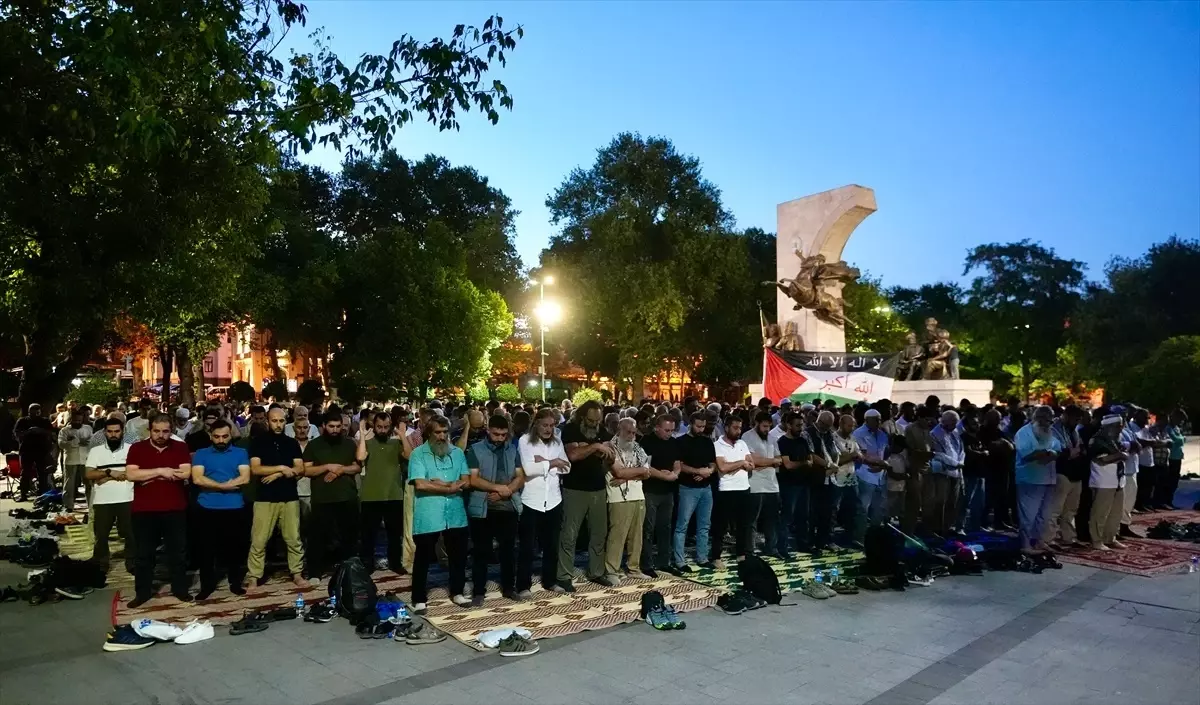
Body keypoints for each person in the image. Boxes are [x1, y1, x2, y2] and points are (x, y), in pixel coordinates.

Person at [124, 414, 193, 607]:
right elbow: (131, 475)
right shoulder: (137, 448)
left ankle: (180, 590)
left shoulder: (180, 447)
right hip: (144, 510)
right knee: (144, 554)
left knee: (178, 553)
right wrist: (162, 472)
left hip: (175, 508)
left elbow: (185, 473)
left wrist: (147, 477)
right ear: (150, 430)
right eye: (157, 431)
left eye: (165, 431)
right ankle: (143, 593)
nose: (161, 435)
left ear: (171, 431)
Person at [408, 415, 471, 614]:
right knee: (423, 558)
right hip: (429, 514)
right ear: (429, 433)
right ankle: (418, 598)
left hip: (455, 513)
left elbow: (466, 480)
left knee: (458, 556)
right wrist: (448, 487)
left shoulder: (457, 453)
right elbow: (420, 483)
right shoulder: (418, 454)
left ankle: (458, 592)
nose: (442, 436)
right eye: (438, 432)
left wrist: (438, 484)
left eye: (445, 432)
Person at [557, 401, 616, 590]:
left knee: (599, 533)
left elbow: (611, 454)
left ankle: (596, 571)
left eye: (597, 420)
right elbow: (573, 455)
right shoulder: (571, 429)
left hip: (598, 487)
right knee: (569, 534)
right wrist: (595, 447)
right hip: (575, 488)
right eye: (591, 420)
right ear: (582, 417)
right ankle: (564, 575)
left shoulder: (602, 430)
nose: (594, 424)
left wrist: (590, 447)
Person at [247, 408, 308, 590]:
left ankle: (297, 573)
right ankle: (253, 576)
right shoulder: (258, 442)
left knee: (293, 538)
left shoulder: (291, 443)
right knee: (259, 540)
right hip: (265, 498)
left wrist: (276, 474)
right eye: (274, 421)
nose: (279, 424)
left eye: (281, 421)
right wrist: (282, 468)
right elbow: (256, 469)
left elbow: (300, 469)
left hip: (289, 496)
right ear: (267, 421)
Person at [466, 415, 525, 604]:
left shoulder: (512, 449)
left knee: (508, 551)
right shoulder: (475, 450)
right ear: (488, 430)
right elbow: (473, 479)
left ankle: (509, 588)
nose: (499, 438)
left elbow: (520, 476)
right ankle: (479, 591)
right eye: (496, 434)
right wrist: (497, 488)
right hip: (482, 507)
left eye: (503, 435)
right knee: (481, 552)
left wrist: (506, 491)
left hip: (507, 506)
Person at [190, 420, 251, 599]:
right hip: (207, 507)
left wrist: (215, 486)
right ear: (210, 436)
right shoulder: (201, 454)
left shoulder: (241, 452)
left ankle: (235, 583)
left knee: (235, 549)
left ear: (231, 435)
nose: (221, 440)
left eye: (225, 436)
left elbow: (245, 477)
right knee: (206, 550)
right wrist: (223, 486)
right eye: (217, 437)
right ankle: (207, 586)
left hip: (234, 507)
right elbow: (198, 478)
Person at [516, 408, 570, 597]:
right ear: (536, 424)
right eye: (545, 425)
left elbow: (567, 467)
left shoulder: (557, 441)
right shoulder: (525, 441)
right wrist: (553, 463)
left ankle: (550, 581)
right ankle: (523, 585)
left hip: (554, 499)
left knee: (551, 545)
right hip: (532, 500)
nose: (549, 429)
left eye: (552, 425)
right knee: (527, 547)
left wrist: (546, 462)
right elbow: (529, 469)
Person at [304, 410, 361, 578]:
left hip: (347, 497)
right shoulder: (314, 445)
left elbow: (357, 467)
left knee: (349, 538)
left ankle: (350, 573)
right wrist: (327, 467)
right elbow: (305, 470)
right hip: (322, 499)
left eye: (338, 426)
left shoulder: (350, 443)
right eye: (331, 426)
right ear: (323, 426)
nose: (335, 430)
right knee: (318, 538)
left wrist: (340, 470)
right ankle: (315, 573)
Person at [355, 412, 405, 575]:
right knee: (368, 534)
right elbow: (361, 456)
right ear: (374, 427)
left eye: (386, 427)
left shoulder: (396, 443)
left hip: (394, 494)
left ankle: (395, 563)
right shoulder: (368, 442)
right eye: (379, 427)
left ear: (390, 426)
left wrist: (403, 436)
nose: (383, 430)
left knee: (394, 533)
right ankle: (368, 564)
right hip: (371, 495)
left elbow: (410, 455)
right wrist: (363, 435)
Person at [84, 418, 136, 575]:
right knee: (101, 534)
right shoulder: (96, 451)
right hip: (102, 500)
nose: (113, 435)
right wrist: (109, 472)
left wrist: (105, 478)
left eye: (117, 431)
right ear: (105, 432)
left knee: (131, 533)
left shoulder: (131, 449)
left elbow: (134, 473)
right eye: (110, 431)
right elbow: (88, 474)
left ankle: (132, 562)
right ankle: (101, 563)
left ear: (122, 432)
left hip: (127, 497)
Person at [603, 418, 651, 581]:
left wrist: (627, 477)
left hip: (638, 495)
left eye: (633, 433)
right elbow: (619, 472)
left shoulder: (637, 448)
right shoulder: (610, 447)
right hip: (618, 497)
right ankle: (611, 570)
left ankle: (634, 568)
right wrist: (634, 474)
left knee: (636, 536)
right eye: (628, 432)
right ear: (619, 430)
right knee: (618, 535)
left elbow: (647, 472)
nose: (631, 436)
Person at [1013, 406, 1063, 554]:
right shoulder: (1024, 433)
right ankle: (1026, 545)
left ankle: (1040, 542)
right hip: (1030, 479)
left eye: (1051, 421)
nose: (1049, 424)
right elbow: (1026, 454)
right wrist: (1042, 453)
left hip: (1048, 478)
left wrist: (1052, 453)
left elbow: (1058, 449)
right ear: (1039, 419)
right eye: (1047, 421)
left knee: (1044, 515)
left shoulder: (1050, 432)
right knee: (1028, 515)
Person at [673, 411, 716, 572]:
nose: (701, 429)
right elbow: (679, 465)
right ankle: (679, 560)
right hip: (687, 488)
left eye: (703, 426)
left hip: (706, 488)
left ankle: (702, 557)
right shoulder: (681, 442)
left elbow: (713, 464)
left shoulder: (707, 441)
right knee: (682, 525)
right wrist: (697, 471)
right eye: (698, 426)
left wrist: (708, 472)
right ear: (690, 424)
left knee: (704, 525)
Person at [776, 411, 815, 559]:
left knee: (803, 516)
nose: (801, 428)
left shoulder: (802, 440)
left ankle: (803, 544)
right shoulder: (782, 442)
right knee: (787, 517)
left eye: (802, 425)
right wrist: (805, 463)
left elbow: (810, 458)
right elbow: (788, 465)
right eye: (798, 425)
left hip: (804, 483)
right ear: (788, 425)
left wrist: (806, 462)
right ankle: (782, 547)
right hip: (789, 485)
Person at [1047, 405, 1087, 548]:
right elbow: (1059, 452)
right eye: (1075, 419)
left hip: (1075, 473)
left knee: (1071, 509)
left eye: (1078, 419)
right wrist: (1072, 452)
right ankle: (1048, 539)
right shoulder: (1053, 429)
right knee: (1055, 509)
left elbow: (1080, 448)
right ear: (1067, 415)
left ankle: (1069, 537)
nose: (1077, 422)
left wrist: (1075, 452)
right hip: (1060, 472)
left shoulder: (1074, 430)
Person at [744, 412, 782, 557]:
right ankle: (750, 550)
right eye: (764, 426)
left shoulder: (772, 438)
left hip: (772, 484)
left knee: (772, 519)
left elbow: (779, 459)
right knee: (752, 520)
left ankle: (771, 548)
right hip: (755, 484)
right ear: (756, 423)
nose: (767, 429)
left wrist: (764, 462)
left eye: (768, 426)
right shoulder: (747, 437)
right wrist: (770, 462)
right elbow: (753, 460)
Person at [1088, 415, 1129, 551]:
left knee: (1116, 512)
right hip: (1103, 481)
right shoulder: (1097, 440)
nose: (1121, 429)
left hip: (1118, 481)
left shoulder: (1114, 439)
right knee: (1100, 513)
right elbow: (1101, 460)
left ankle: (1110, 538)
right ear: (1109, 427)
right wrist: (1120, 456)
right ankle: (1096, 540)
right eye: (1118, 426)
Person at [852, 409, 890, 539]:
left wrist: (883, 463)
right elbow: (861, 455)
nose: (879, 422)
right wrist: (879, 464)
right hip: (865, 475)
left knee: (878, 509)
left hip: (880, 476)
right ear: (867, 420)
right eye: (876, 419)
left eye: (880, 419)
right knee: (863, 509)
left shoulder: (882, 434)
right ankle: (859, 537)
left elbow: (886, 452)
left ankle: (875, 537)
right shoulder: (858, 433)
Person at [929, 410, 965, 536]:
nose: (955, 426)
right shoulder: (934, 434)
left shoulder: (955, 432)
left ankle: (948, 526)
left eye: (956, 423)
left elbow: (961, 449)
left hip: (956, 472)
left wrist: (960, 461)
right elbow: (938, 454)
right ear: (944, 422)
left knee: (953, 501)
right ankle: (937, 528)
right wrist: (955, 463)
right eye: (952, 423)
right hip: (943, 472)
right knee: (940, 501)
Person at [830, 414, 863, 546]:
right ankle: (830, 539)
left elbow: (859, 454)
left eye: (853, 425)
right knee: (833, 510)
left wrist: (855, 455)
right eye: (850, 425)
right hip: (837, 480)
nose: (852, 428)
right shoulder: (833, 439)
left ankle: (850, 538)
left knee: (852, 509)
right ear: (842, 424)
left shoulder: (852, 438)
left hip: (851, 479)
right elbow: (837, 460)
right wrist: (852, 456)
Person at [902, 408, 935, 534]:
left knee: (928, 503)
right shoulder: (910, 429)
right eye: (926, 419)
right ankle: (908, 532)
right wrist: (925, 454)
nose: (929, 422)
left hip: (927, 469)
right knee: (913, 504)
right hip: (914, 469)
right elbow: (910, 450)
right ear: (920, 417)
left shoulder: (928, 429)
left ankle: (925, 531)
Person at [14, 403, 54, 501]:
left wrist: (39, 430)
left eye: (38, 410)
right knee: (25, 473)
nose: (36, 412)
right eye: (33, 410)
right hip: (26, 450)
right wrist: (29, 431)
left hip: (42, 450)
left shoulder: (44, 421)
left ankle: (43, 493)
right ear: (29, 411)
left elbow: (50, 433)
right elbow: (17, 434)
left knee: (42, 473)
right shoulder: (22, 421)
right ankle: (23, 493)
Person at [58, 409, 93, 511]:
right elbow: (60, 444)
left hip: (85, 459)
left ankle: (91, 505)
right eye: (75, 420)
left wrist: (86, 442)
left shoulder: (88, 428)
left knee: (89, 483)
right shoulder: (64, 430)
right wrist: (72, 442)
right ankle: (68, 505)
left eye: (79, 420)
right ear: (71, 419)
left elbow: (93, 440)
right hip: (71, 459)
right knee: (69, 484)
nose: (77, 422)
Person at [958, 414, 989, 534]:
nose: (977, 426)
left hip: (980, 473)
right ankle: (960, 527)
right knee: (965, 502)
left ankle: (976, 526)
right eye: (973, 424)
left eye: (977, 423)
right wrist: (982, 454)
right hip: (968, 473)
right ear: (965, 426)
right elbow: (968, 453)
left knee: (979, 503)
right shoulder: (963, 438)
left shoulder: (980, 437)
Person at [1159, 410, 1188, 510]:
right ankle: (1164, 501)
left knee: (1174, 481)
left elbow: (1179, 440)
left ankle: (1169, 501)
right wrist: (1182, 439)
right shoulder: (1168, 428)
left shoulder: (1177, 428)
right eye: (1180, 419)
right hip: (1170, 458)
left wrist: (1181, 439)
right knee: (1168, 481)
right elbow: (1175, 440)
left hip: (1178, 457)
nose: (1181, 422)